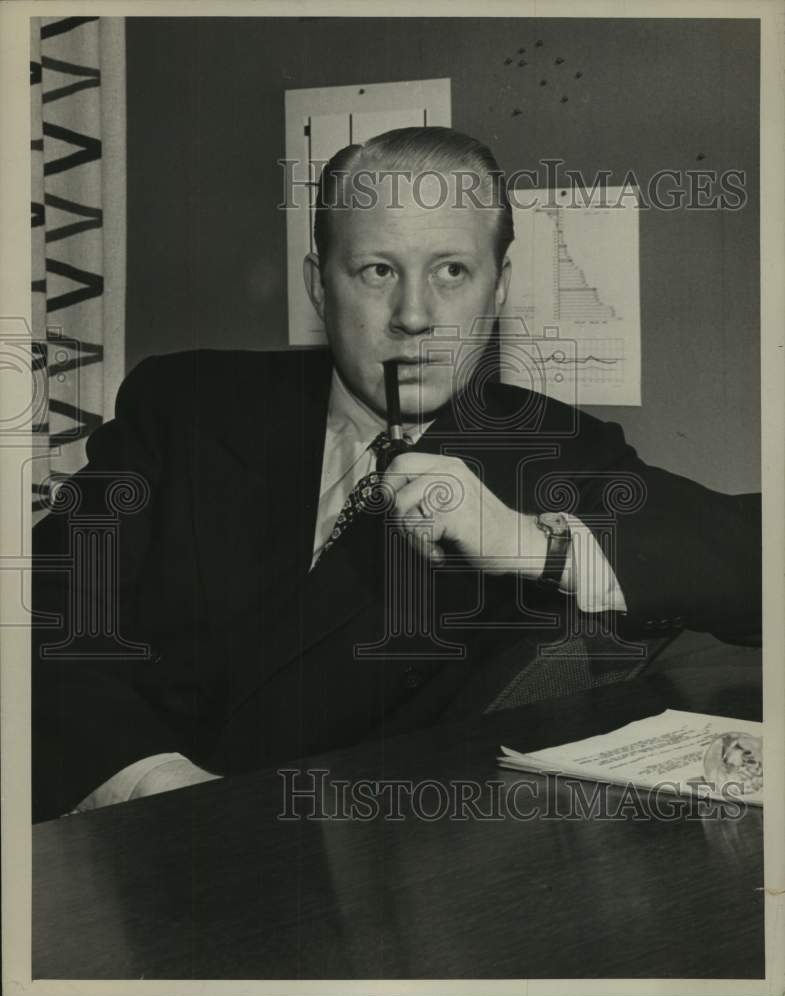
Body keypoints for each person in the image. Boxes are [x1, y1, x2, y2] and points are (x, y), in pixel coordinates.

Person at [31, 127, 761, 822]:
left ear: (498, 288)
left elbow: (756, 564)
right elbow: (41, 614)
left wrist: (534, 543)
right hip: (108, 826)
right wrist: (154, 782)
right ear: (320, 285)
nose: (415, 316)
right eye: (377, 270)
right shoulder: (187, 404)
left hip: (334, 882)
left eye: (452, 271)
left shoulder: (553, 449)